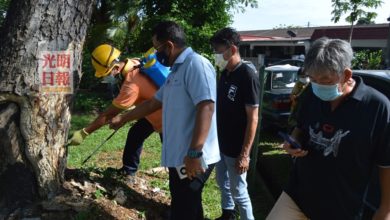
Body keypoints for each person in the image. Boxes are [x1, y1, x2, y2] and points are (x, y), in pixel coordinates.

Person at [266, 38, 390, 220]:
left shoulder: (377, 107)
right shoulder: (310, 94)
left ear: (346, 75)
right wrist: (293, 142)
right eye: (312, 78)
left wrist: (385, 210)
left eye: (324, 79)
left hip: (341, 208)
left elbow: (385, 164)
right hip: (298, 195)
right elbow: (300, 128)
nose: (317, 85)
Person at [109, 21, 220, 220]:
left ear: (169, 45)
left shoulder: (196, 64)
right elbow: (153, 103)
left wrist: (195, 152)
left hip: (194, 156)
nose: (155, 53)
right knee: (187, 204)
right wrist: (123, 118)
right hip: (180, 156)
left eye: (157, 48)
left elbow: (207, 107)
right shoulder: (175, 71)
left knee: (183, 208)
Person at [68, 44, 164, 180]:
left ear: (116, 68)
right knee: (136, 133)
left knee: (175, 159)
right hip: (154, 110)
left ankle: (183, 192)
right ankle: (128, 172)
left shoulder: (131, 83)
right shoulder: (136, 62)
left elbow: (108, 114)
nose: (107, 79)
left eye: (107, 74)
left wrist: (85, 132)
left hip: (168, 119)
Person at [210, 27, 259, 220]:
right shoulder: (225, 74)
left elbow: (253, 117)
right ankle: (227, 215)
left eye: (217, 50)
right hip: (221, 143)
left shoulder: (247, 74)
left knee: (239, 191)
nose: (216, 55)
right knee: (223, 182)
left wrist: (245, 154)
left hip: (237, 147)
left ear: (231, 49)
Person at [287, 67, 310, 131]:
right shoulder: (298, 84)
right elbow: (292, 95)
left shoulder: (311, 85)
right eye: (302, 76)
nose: (303, 78)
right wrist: (295, 98)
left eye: (305, 76)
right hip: (297, 110)